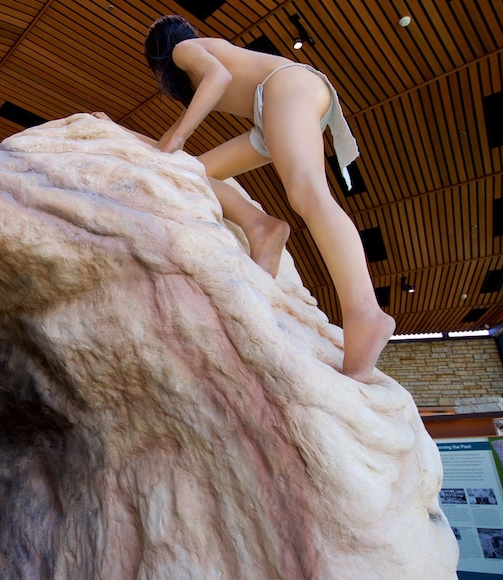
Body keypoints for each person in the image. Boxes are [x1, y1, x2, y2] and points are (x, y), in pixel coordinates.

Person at [142, 15, 394, 382]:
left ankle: (365, 313)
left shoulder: (184, 50)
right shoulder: (204, 50)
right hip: (272, 107)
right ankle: (260, 227)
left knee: (308, 194)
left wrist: (176, 137)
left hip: (285, 88)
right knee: (193, 173)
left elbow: (219, 78)